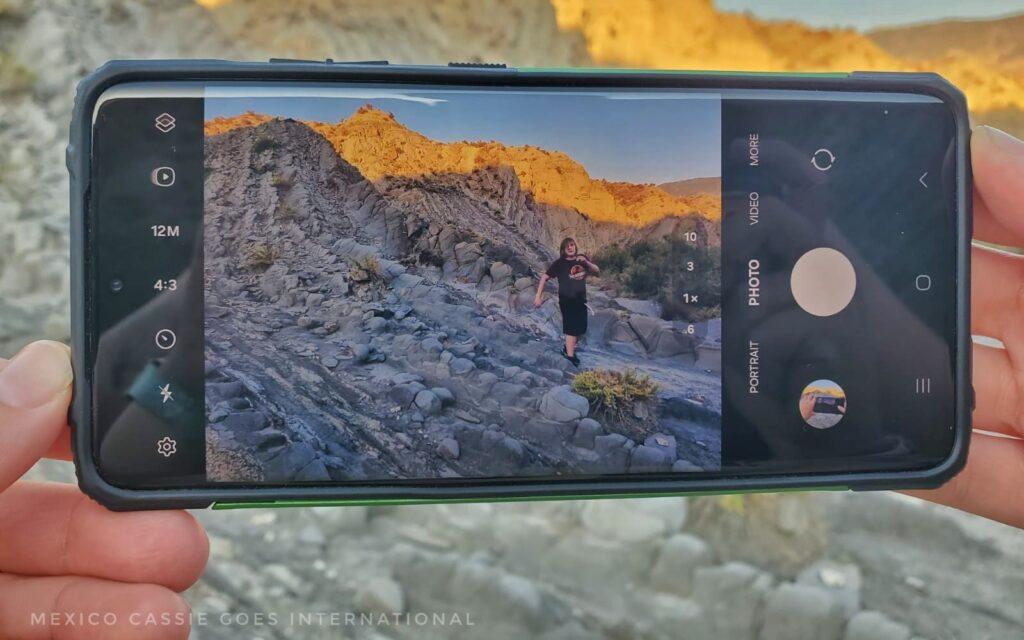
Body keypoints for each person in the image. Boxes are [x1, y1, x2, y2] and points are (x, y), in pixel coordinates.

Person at [0, 126, 1021, 638]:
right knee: (578, 359)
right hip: (557, 325)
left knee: (587, 352)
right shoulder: (556, 267)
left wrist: (555, 305)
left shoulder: (578, 263)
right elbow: (540, 277)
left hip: (573, 323)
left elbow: (557, 273)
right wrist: (534, 312)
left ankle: (579, 367)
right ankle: (576, 369)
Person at [534, 237, 599, 367]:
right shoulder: (559, 263)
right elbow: (544, 277)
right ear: (563, 250)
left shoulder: (582, 259)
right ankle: (570, 357)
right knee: (571, 329)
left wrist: (587, 262)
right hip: (567, 301)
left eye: (572, 245)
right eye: (567, 246)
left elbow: (596, 270)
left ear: (575, 246)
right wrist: (538, 297)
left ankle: (567, 348)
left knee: (581, 329)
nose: (570, 248)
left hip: (581, 301)